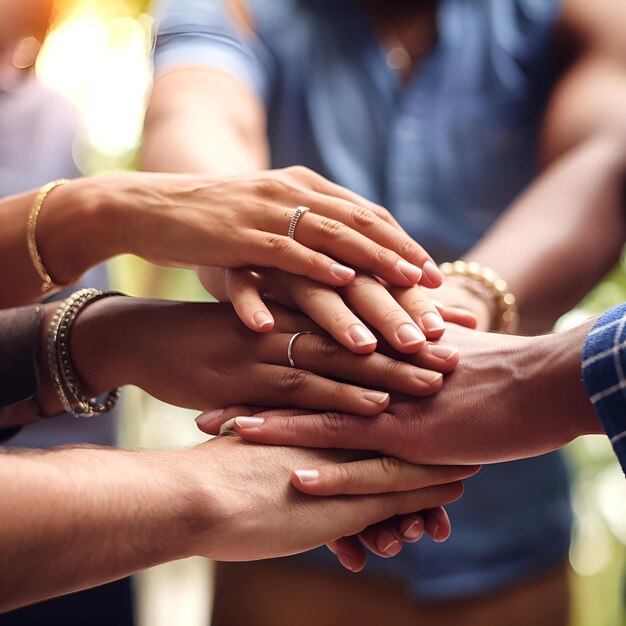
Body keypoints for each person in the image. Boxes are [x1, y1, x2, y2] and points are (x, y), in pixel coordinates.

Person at [143, 0, 626, 623]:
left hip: (507, 530)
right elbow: (193, 121)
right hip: (288, 516)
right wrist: (246, 235)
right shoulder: (233, 8)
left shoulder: (570, 11)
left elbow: (605, 155)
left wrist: (460, 306)